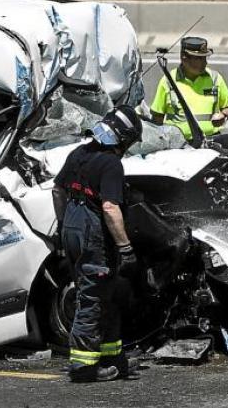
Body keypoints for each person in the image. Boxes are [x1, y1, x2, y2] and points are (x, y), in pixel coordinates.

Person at [52, 105, 143, 383]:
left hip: (72, 226)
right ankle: (82, 366)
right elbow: (110, 207)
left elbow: (58, 190)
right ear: (124, 138)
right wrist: (126, 247)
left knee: (106, 294)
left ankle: (112, 357)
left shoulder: (79, 153)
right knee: (92, 297)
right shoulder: (111, 164)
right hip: (92, 232)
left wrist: (65, 224)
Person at [150, 36, 228, 141]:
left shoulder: (215, 78)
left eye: (205, 58)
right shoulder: (168, 81)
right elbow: (157, 119)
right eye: (199, 58)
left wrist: (223, 115)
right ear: (184, 57)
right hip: (178, 147)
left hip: (210, 143)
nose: (205, 62)